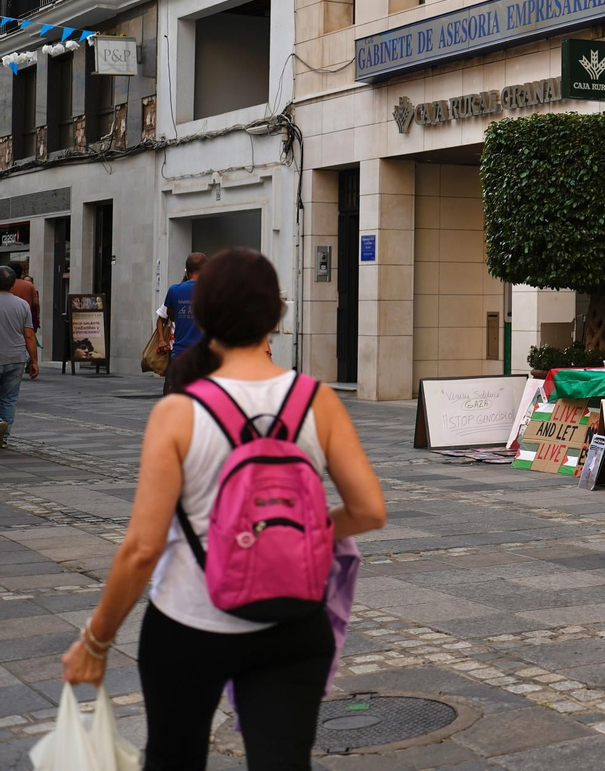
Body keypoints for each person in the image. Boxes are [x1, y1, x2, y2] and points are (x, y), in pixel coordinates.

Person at [60, 248, 386, 769]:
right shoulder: (314, 399)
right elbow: (369, 510)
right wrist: (302, 529)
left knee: (173, 756)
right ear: (276, 318)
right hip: (293, 620)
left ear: (204, 317)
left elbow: (142, 549)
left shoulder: (178, 412)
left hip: (189, 622)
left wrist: (96, 640)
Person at [158, 252, 208, 395]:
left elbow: (171, 316)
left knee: (172, 395)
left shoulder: (174, 290)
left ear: (186, 269)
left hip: (180, 354)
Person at [0, 266, 38, 446]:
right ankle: (4, 436)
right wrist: (34, 361)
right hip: (16, 357)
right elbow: (29, 335)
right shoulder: (22, 305)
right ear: (13, 283)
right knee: (9, 398)